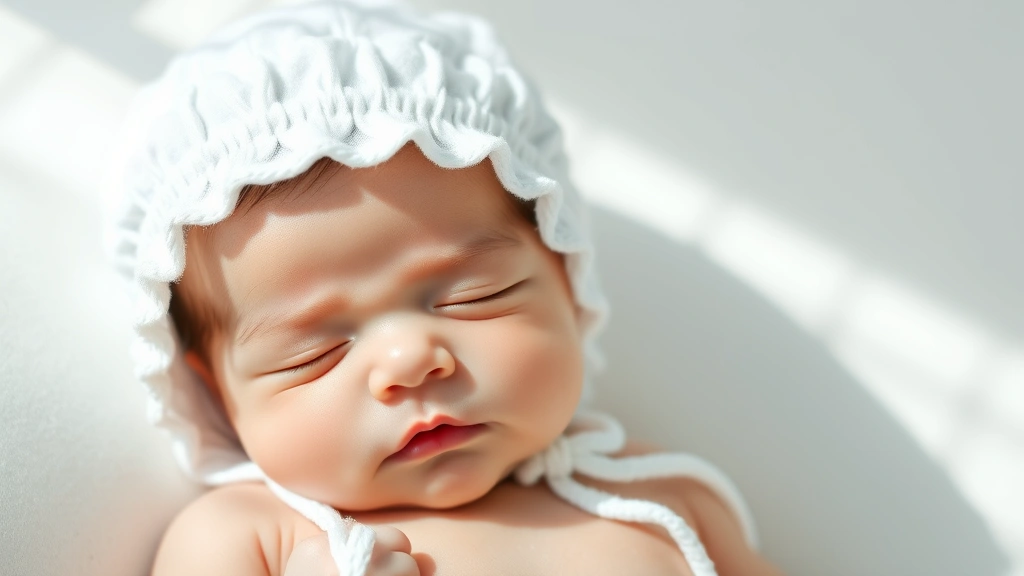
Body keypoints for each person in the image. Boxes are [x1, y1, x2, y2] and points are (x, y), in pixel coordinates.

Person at [108, 1, 783, 574]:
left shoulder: (659, 494)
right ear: (214, 392)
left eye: (474, 296)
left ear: (568, 281)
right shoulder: (251, 537)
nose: (409, 362)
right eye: (312, 352)